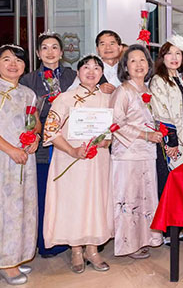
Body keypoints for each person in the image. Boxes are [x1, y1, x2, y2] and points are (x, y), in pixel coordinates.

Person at [0, 44, 40, 285]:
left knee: (24, 207)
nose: (13, 64)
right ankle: (3, 262)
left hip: (25, 159)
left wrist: (35, 138)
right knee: (3, 210)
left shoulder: (28, 93)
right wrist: (11, 149)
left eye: (18, 60)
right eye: (7, 59)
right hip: (0, 160)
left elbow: (35, 123)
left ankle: (17, 256)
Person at [42, 55, 113, 274]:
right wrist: (72, 150)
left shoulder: (107, 98)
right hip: (70, 159)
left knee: (96, 202)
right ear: (78, 72)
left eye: (96, 68)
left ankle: (92, 249)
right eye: (86, 67)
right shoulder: (65, 98)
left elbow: (111, 130)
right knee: (74, 203)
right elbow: (50, 130)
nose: (91, 72)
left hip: (98, 161)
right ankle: (75, 250)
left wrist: (106, 141)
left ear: (102, 73)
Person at [19, 32, 77, 258]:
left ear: (62, 53)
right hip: (42, 146)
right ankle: (46, 243)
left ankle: (72, 240)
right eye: (45, 47)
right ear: (37, 53)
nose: (50, 52)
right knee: (44, 193)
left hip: (70, 143)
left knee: (69, 192)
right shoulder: (28, 80)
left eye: (55, 47)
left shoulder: (73, 76)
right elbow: (26, 113)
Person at [110, 44, 164, 258]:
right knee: (129, 199)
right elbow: (115, 124)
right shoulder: (123, 91)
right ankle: (128, 244)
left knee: (145, 198)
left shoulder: (148, 90)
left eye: (142, 60)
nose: (139, 65)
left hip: (147, 153)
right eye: (133, 61)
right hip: (127, 153)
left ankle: (145, 238)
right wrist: (145, 135)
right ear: (125, 66)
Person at [149, 35, 183, 197]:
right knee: (170, 180)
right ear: (162, 57)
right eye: (169, 53)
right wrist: (172, 141)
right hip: (171, 137)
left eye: (178, 53)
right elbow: (160, 113)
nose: (174, 58)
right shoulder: (158, 80)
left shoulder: (182, 78)